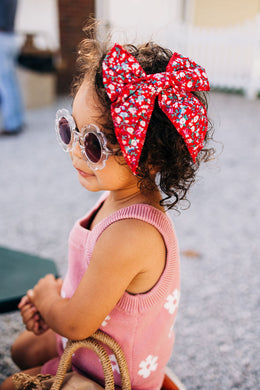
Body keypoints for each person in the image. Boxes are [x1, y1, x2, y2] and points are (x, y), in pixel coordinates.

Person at [0, 22, 214, 390]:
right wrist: (53, 300)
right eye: (71, 130)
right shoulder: (116, 197)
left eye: (95, 145)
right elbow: (84, 286)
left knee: (12, 385)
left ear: (151, 159)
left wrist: (49, 298)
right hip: (85, 337)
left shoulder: (132, 234)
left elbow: (76, 324)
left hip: (113, 373)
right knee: (22, 351)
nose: (74, 152)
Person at [0, 0, 24, 135]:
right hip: (10, 37)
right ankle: (17, 120)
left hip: (2, 38)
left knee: (5, 85)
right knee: (11, 82)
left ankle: (12, 124)